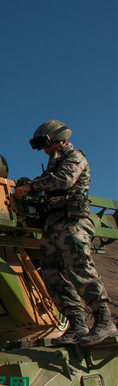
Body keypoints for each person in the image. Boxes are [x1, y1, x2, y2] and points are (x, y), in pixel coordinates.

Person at [13, 120, 116, 346]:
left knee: (80, 268)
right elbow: (48, 188)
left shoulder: (74, 157)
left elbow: (64, 180)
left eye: (45, 144)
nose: (43, 149)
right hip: (53, 224)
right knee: (52, 275)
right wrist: (31, 187)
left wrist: (33, 186)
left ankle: (104, 320)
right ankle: (76, 324)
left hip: (72, 222)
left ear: (57, 139)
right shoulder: (53, 163)